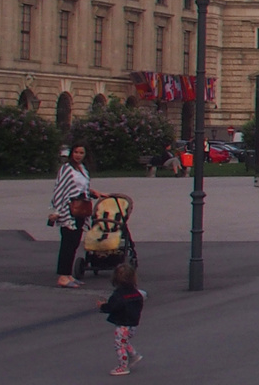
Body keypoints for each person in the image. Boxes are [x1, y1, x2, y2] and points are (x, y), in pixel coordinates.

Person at [49, 146, 95, 287]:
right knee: (67, 243)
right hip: (68, 208)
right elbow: (59, 189)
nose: (78, 155)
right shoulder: (66, 169)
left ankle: (68, 274)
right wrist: (56, 210)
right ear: (71, 153)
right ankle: (62, 276)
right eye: (76, 152)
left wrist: (94, 193)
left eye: (81, 153)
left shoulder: (82, 169)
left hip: (80, 208)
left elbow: (83, 188)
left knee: (74, 243)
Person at [98, 261, 145, 375]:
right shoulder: (136, 293)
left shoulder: (118, 294)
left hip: (123, 323)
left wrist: (102, 306)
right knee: (124, 341)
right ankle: (134, 355)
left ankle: (123, 366)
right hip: (133, 323)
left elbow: (112, 307)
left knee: (119, 345)